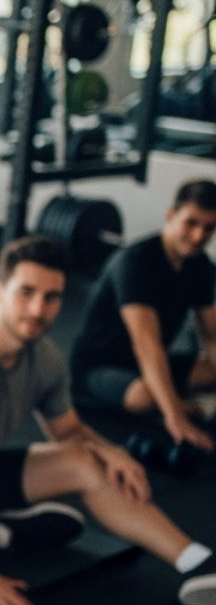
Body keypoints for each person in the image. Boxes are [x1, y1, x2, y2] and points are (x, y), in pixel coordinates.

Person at [0, 235, 216, 605]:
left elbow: (69, 432)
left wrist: (112, 452)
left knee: (89, 463)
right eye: (26, 292)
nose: (38, 309)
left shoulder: (44, 358)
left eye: (52, 297)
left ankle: (196, 560)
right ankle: (2, 532)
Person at [70, 179, 216, 449]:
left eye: (209, 228)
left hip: (147, 364)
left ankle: (176, 399)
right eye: (191, 223)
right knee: (145, 396)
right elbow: (146, 343)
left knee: (212, 372)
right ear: (171, 216)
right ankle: (180, 404)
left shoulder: (202, 267)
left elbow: (212, 337)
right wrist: (177, 417)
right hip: (97, 369)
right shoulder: (135, 262)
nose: (199, 236)